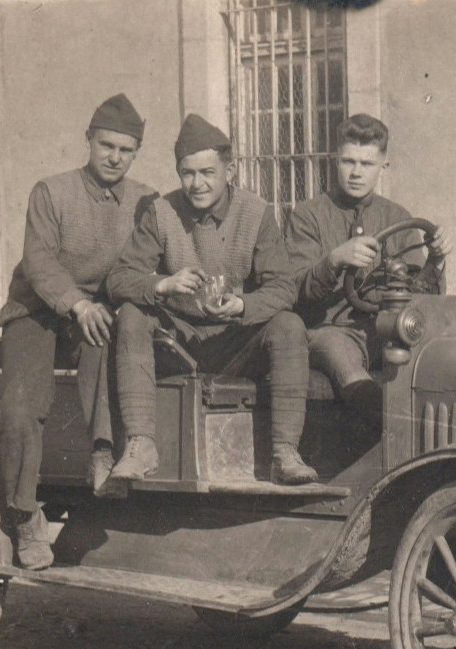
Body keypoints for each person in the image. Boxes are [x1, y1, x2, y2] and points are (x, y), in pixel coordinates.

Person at [105, 114, 317, 485]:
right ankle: (141, 445)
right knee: (133, 316)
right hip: (178, 344)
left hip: (236, 342)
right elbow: (119, 278)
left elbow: (284, 287)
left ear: (229, 170)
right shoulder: (162, 212)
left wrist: (243, 305)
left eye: (207, 173)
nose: (197, 184)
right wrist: (163, 284)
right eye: (187, 173)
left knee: (289, 326)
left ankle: (284, 451)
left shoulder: (256, 213)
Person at [0, 94, 156, 570]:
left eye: (126, 150)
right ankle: (24, 517)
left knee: (115, 341)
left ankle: (103, 456)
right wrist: (76, 303)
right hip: (38, 309)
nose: (114, 157)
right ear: (89, 140)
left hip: (96, 313)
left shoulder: (146, 201)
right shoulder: (51, 191)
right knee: (21, 404)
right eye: (106, 145)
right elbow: (39, 262)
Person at [284, 114, 451, 418]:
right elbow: (294, 290)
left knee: (436, 353)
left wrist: (436, 260)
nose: (356, 173)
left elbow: (419, 295)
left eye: (367, 164)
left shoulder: (397, 217)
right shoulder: (308, 216)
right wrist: (334, 260)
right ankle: (381, 417)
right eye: (349, 162)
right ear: (335, 160)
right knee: (341, 354)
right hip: (330, 330)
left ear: (383, 165)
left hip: (385, 330)